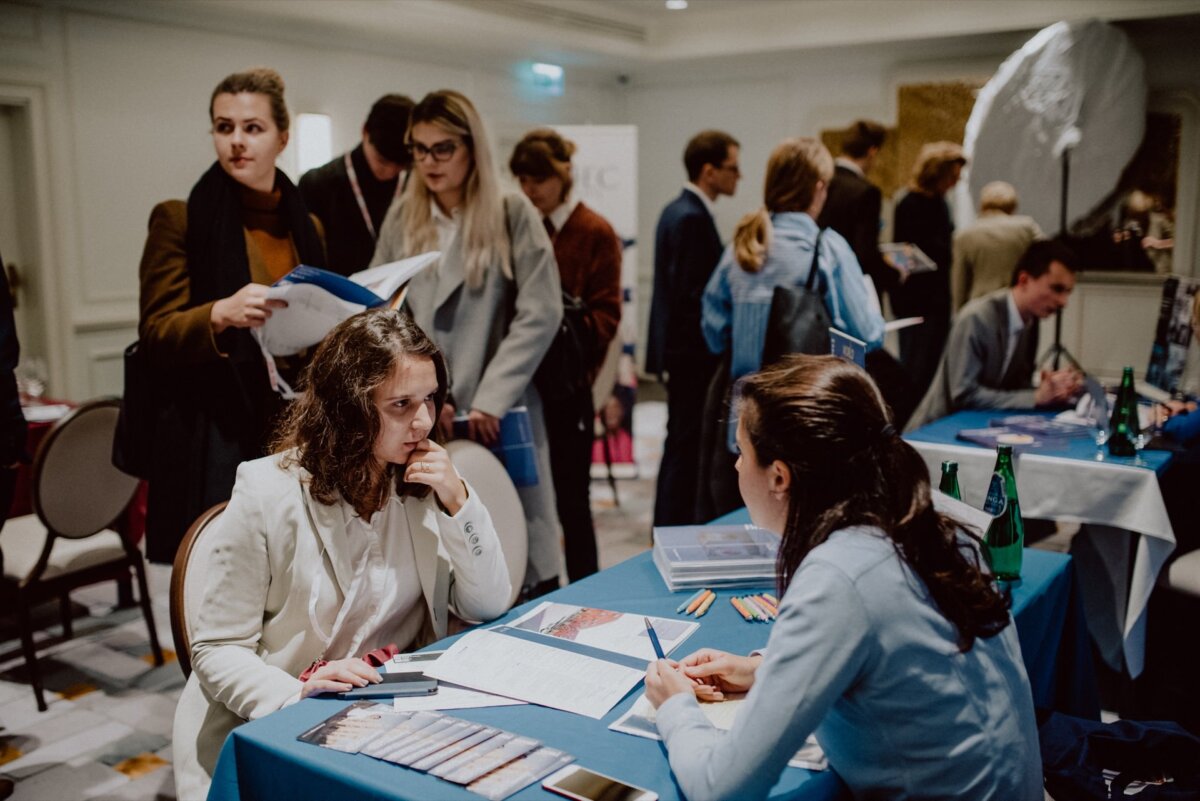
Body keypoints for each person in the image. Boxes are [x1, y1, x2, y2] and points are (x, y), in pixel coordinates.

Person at [644, 354, 1041, 801]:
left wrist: (674, 705)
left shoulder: (836, 577)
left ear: (779, 476)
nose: (735, 467)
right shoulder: (937, 524)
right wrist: (763, 668)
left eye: (741, 452)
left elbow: (721, 787)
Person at [171, 309, 511, 800]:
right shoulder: (267, 491)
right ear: (350, 409)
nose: (423, 421)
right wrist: (295, 695)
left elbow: (488, 604)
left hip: (383, 716)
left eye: (430, 398)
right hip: (279, 723)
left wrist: (459, 499)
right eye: (400, 404)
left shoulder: (420, 479)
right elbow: (216, 649)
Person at [371, 90, 563, 598]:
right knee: (440, 547)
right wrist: (424, 394)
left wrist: (490, 397)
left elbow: (542, 311)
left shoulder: (509, 209)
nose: (429, 163)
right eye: (419, 149)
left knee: (519, 539)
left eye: (443, 149)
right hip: (426, 406)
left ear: (471, 147)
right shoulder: (404, 214)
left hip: (499, 402)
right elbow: (385, 310)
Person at [137, 67, 325, 564]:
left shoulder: (307, 226)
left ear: (282, 138)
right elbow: (156, 334)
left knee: (292, 570)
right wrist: (219, 313)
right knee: (221, 571)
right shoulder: (180, 217)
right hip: (216, 426)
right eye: (224, 127)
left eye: (252, 128)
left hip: (292, 422)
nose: (237, 142)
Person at [696, 138, 885, 518]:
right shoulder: (825, 248)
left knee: (736, 517)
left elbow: (713, 331)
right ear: (818, 187)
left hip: (739, 414)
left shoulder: (741, 245)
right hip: (801, 415)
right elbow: (868, 334)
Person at [509, 128, 622, 582]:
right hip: (518, 383)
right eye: (521, 179)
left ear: (562, 176)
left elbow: (607, 317)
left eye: (537, 178)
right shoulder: (519, 226)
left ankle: (588, 588)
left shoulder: (594, 231)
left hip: (568, 387)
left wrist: (559, 329)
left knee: (573, 500)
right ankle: (534, 587)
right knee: (523, 497)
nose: (529, 189)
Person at [647, 129, 740, 527]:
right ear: (708, 171)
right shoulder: (691, 218)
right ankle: (671, 528)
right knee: (685, 446)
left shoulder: (677, 210)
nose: (740, 177)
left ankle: (668, 526)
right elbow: (690, 298)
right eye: (733, 168)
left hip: (678, 352)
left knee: (680, 444)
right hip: (691, 355)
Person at [906, 239, 1083, 431]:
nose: (1063, 302)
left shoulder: (1030, 322)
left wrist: (1052, 389)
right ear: (1024, 280)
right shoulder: (976, 318)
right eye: (1056, 289)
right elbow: (964, 395)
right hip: (935, 432)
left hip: (975, 427)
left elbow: (1010, 389)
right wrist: (1036, 396)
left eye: (1067, 292)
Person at [300, 94, 413, 275]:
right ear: (364, 132)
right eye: (382, 162)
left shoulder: (415, 183)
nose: (391, 173)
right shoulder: (318, 184)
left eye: (400, 166)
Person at [890, 141, 966, 399]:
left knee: (932, 365)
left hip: (938, 296)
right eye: (952, 176)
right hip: (915, 298)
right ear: (938, 172)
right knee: (915, 365)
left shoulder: (942, 204)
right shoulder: (909, 202)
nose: (955, 183)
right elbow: (903, 250)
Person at [817, 120, 903, 303]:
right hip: (854, 290)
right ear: (873, 151)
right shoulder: (866, 192)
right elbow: (865, 253)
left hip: (820, 284)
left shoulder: (820, 182)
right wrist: (894, 275)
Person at [951, 181, 1042, 311]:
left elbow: (959, 282)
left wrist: (960, 312)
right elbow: (1046, 259)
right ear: (1013, 205)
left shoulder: (964, 235)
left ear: (983, 205)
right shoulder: (1027, 227)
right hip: (1019, 303)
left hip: (980, 305)